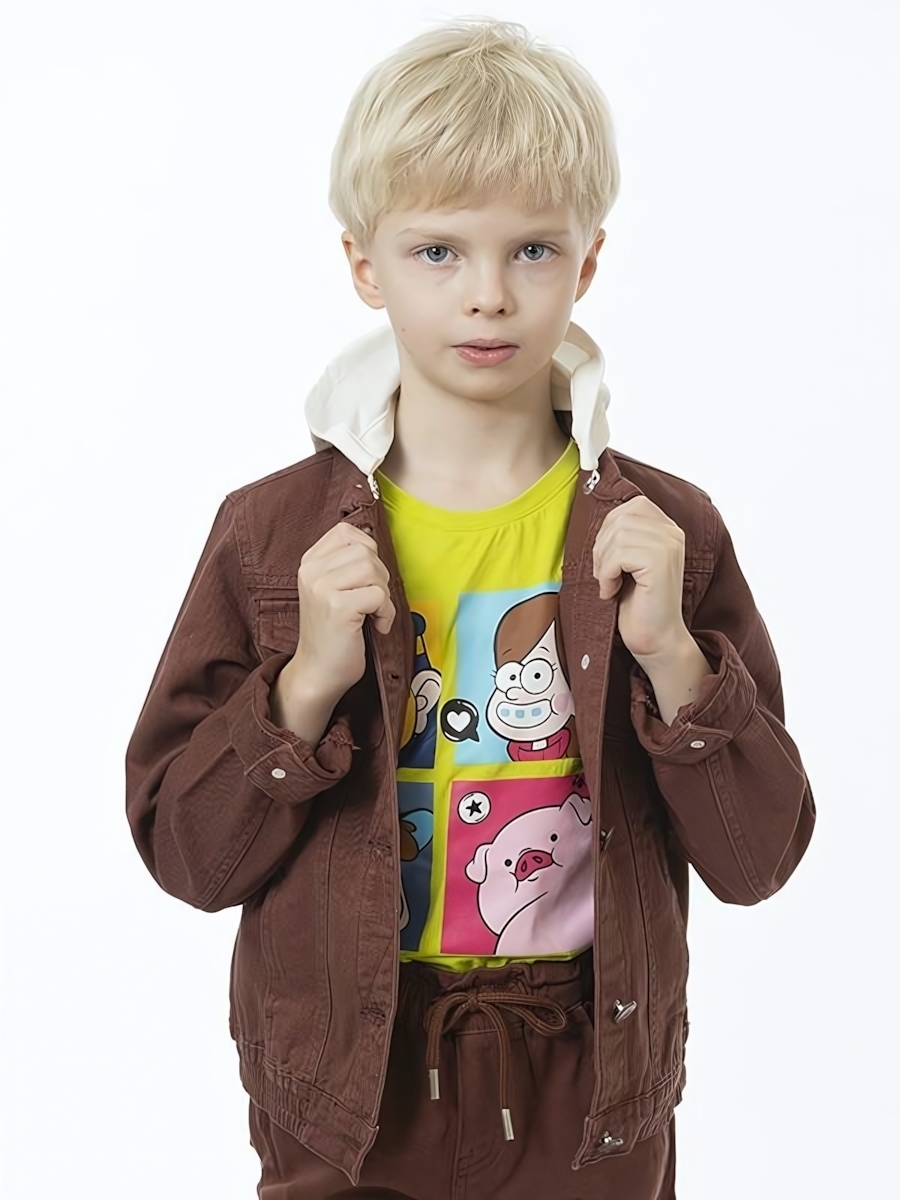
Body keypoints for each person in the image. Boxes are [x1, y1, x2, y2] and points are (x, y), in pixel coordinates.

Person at [125, 17, 816, 1200]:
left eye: (532, 250)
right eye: (438, 252)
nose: (488, 296)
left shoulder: (667, 532)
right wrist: (302, 687)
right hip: (346, 1082)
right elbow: (189, 857)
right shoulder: (271, 536)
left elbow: (757, 858)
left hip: (590, 1083)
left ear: (588, 262)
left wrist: (675, 659)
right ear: (365, 265)